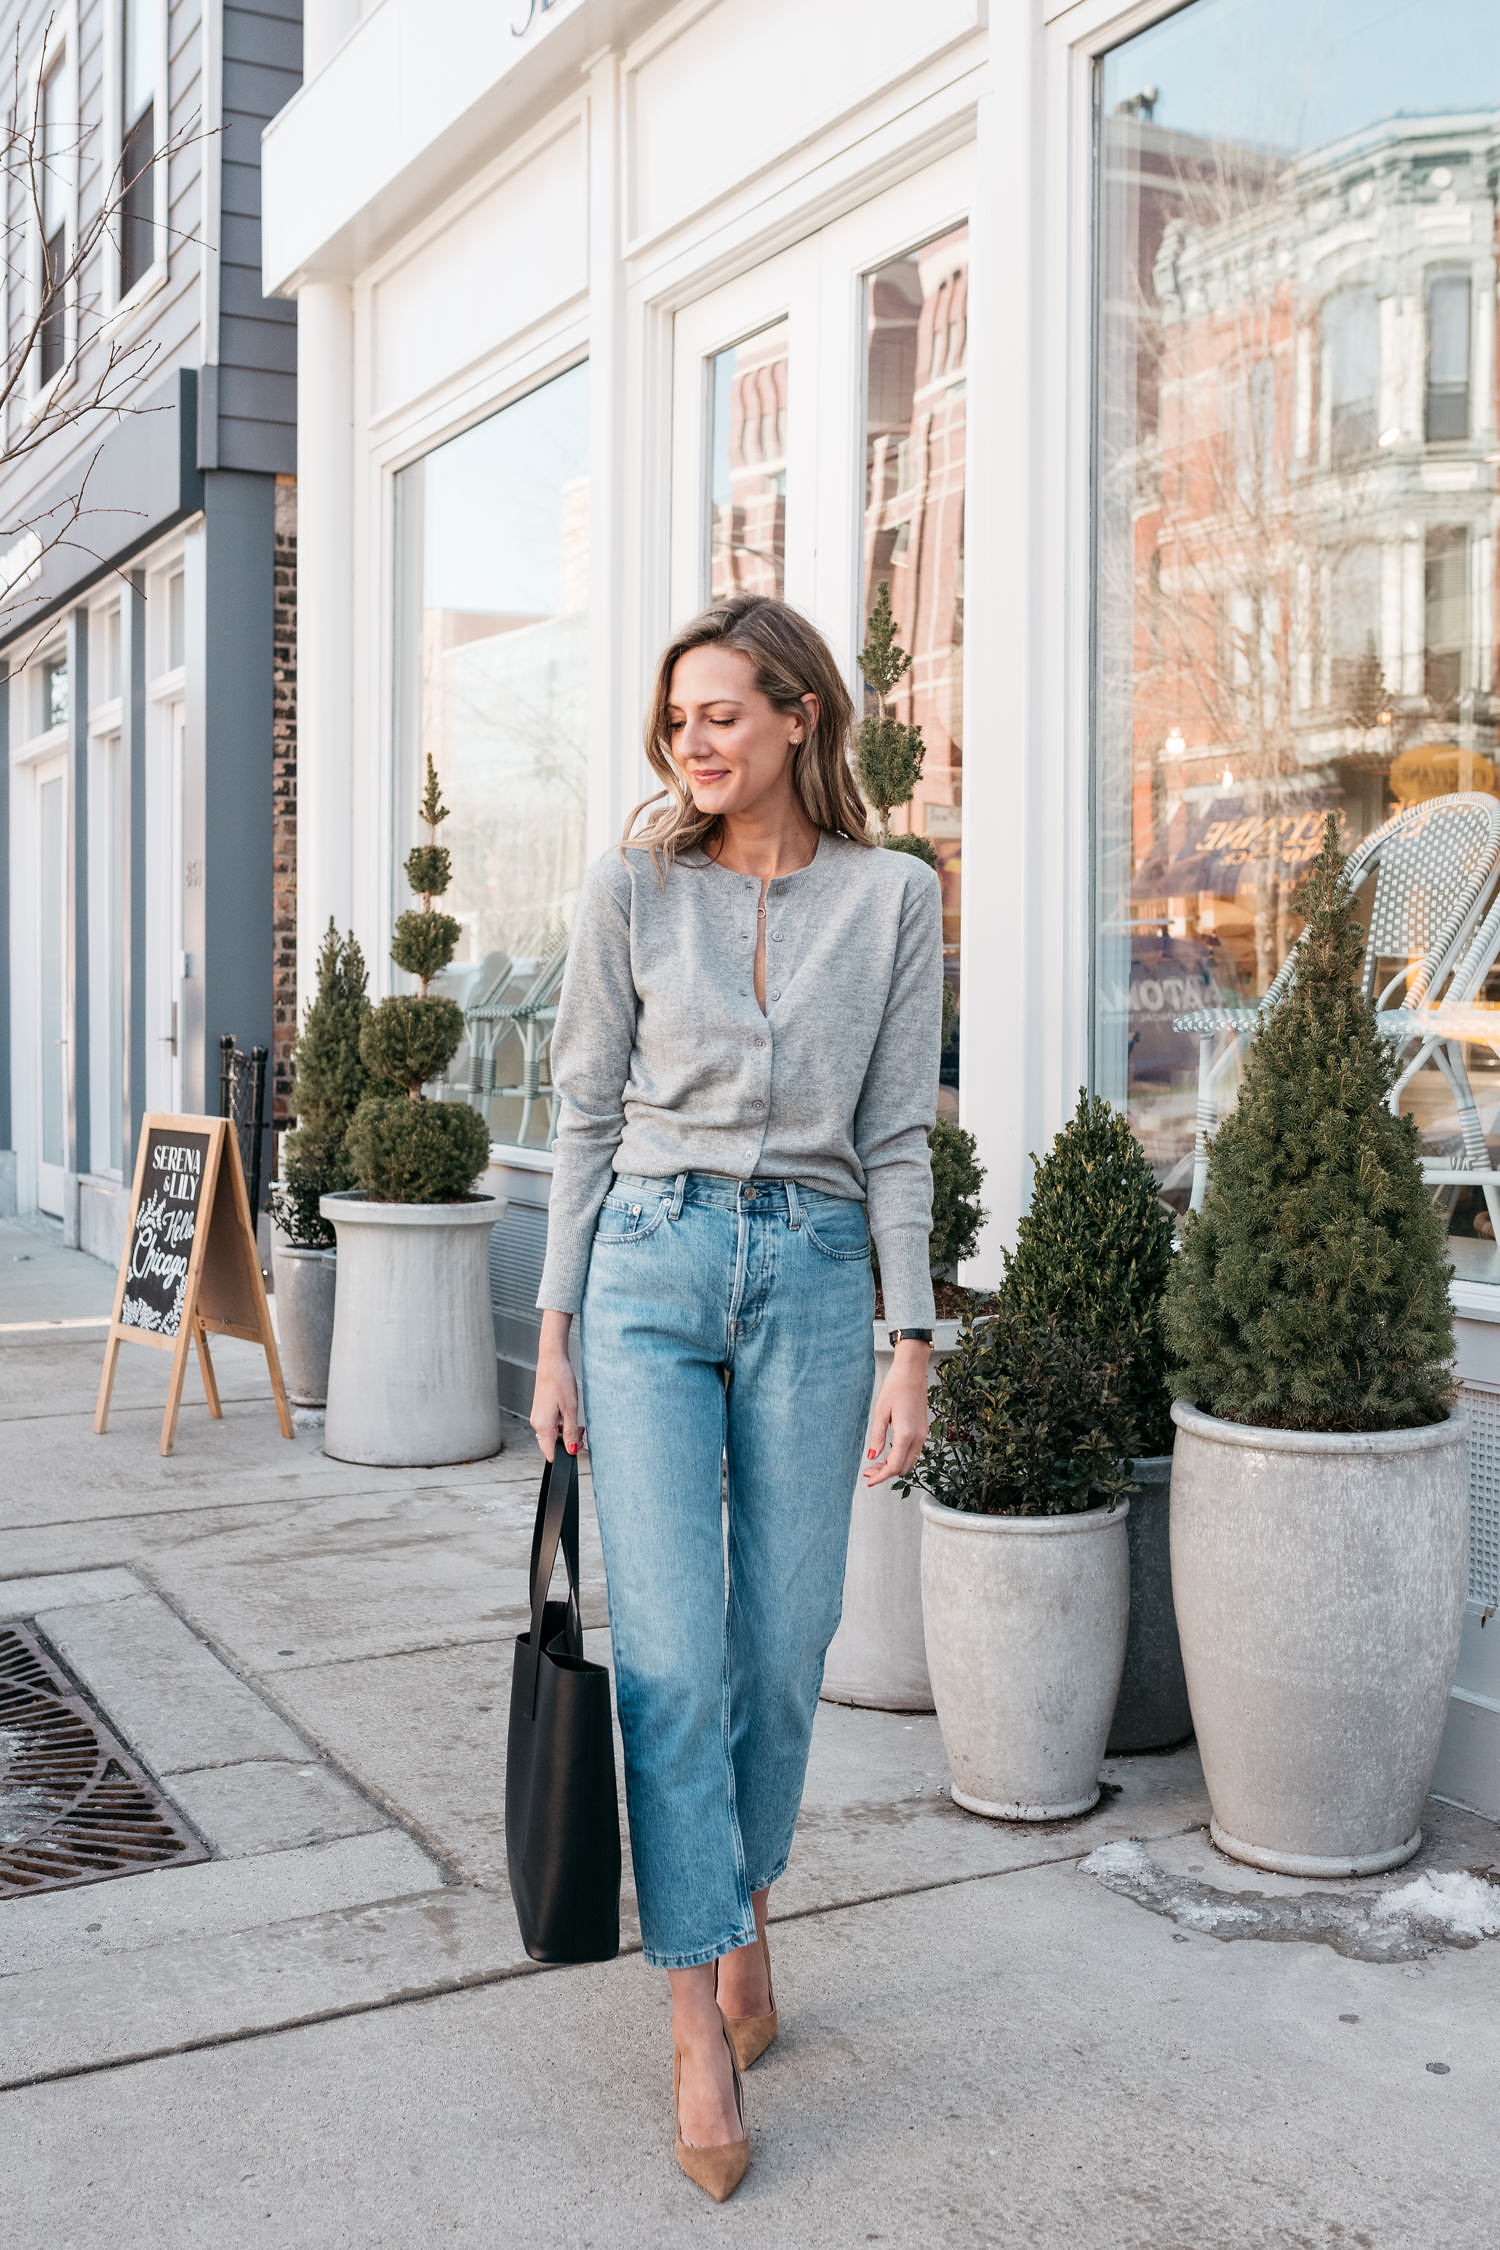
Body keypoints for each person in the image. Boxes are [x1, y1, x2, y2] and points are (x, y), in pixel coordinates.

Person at [531, 592, 942, 2201]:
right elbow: (578, 1116)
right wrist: (555, 1330)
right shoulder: (631, 889)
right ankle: (698, 2009)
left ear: (798, 719)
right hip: (646, 1265)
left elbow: (899, 1132)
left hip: (820, 1274)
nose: (691, 743)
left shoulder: (896, 897)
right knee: (678, 1661)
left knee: (785, 1643)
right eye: (677, 719)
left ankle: (742, 1894)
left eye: (721, 713)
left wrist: (915, 1340)